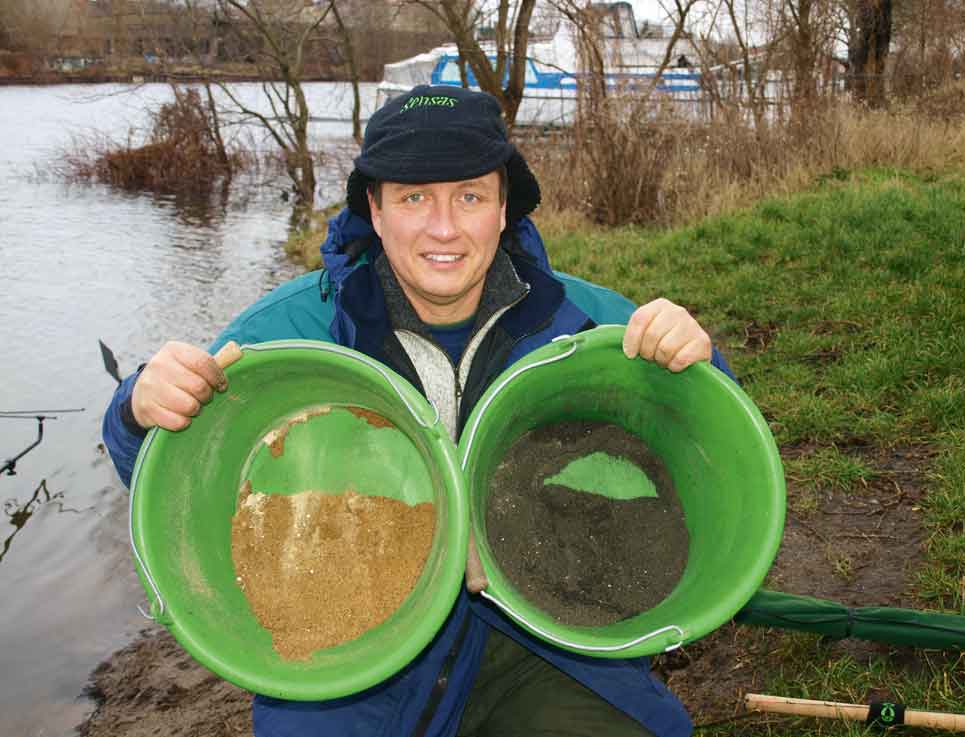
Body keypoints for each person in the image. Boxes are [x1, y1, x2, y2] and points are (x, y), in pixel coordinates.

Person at [103, 84, 735, 737]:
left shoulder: (580, 323)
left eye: (469, 196)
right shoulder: (293, 331)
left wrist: (697, 360)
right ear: (374, 210)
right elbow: (161, 468)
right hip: (355, 670)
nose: (443, 227)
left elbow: (705, 441)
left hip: (544, 645)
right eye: (413, 198)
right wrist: (138, 404)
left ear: (502, 209)